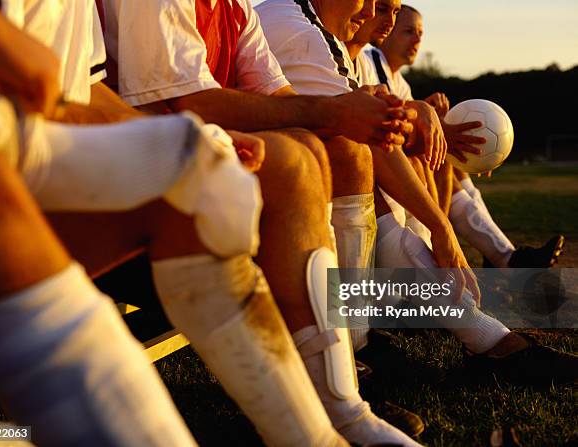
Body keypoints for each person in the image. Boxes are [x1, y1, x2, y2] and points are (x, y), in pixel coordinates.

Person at [0, 2, 353, 445]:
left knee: (202, 175)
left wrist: (184, 143)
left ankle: (325, 429)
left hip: (24, 152)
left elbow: (84, 92)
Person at [104, 0, 425, 445]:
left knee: (324, 149)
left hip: (183, 156)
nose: (372, 10)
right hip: (135, 181)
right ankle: (330, 399)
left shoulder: (237, 6)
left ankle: (342, 370)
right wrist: (330, 113)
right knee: (293, 160)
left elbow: (278, 97)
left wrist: (350, 110)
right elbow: (188, 100)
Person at [343, 0, 577, 384]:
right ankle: (476, 308)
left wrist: (424, 119)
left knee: (429, 158)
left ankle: (477, 277)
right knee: (395, 157)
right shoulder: (329, 44)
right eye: (406, 27)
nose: (376, 16)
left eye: (419, 32)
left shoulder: (374, 69)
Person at [371, 3, 565, 269]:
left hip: (393, 164)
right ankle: (501, 257)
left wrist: (472, 151)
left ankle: (503, 255)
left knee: (448, 160)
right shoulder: (369, 61)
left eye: (420, 33)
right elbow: (385, 131)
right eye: (408, 31)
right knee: (440, 159)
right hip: (378, 172)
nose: (417, 39)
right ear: (389, 31)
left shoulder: (400, 83)